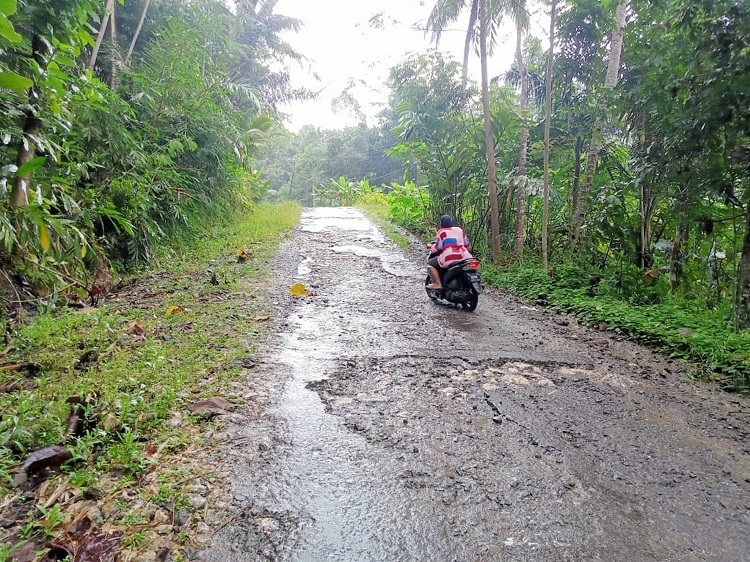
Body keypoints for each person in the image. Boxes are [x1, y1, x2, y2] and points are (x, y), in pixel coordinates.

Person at [426, 215, 473, 289]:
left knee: (430, 264)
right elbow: (467, 244)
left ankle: (438, 284)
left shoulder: (442, 231)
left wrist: (431, 246)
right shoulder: (459, 230)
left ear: (441, 223)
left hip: (450, 257)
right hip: (466, 256)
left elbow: (438, 247)